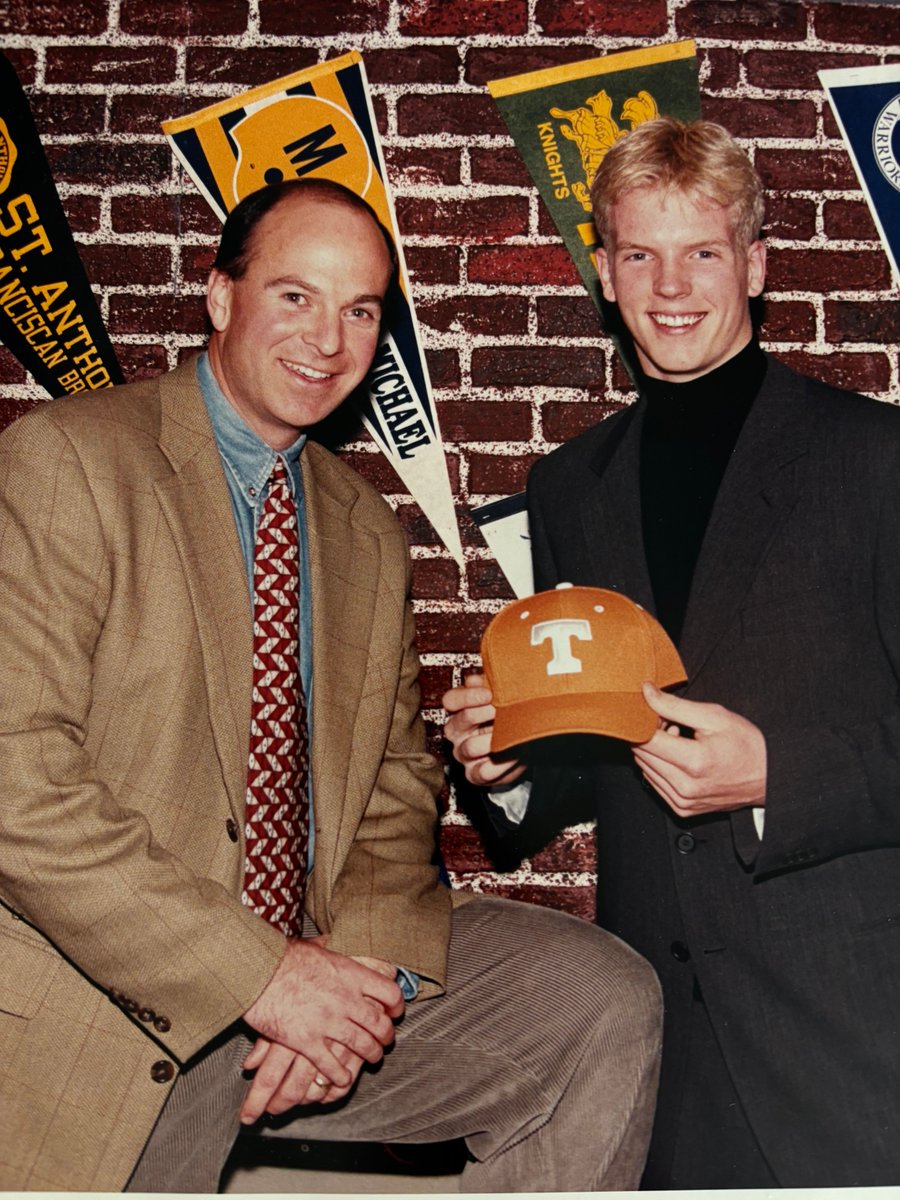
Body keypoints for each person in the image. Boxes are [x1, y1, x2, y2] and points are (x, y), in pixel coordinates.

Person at [0, 177, 662, 1193]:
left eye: (361, 309)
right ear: (220, 296)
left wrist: (360, 981)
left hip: (301, 967)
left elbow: (396, 787)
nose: (328, 337)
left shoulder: (362, 529)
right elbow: (16, 788)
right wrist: (259, 975)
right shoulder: (69, 461)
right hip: (114, 993)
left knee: (596, 999)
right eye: (296, 295)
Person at [444, 117, 900, 1189]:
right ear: (603, 273)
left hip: (854, 1041)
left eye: (703, 250)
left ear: (756, 261)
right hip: (658, 1045)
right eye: (640, 253)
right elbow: (594, 755)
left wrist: (777, 781)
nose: (672, 284)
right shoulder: (569, 488)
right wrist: (513, 766)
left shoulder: (879, 461)